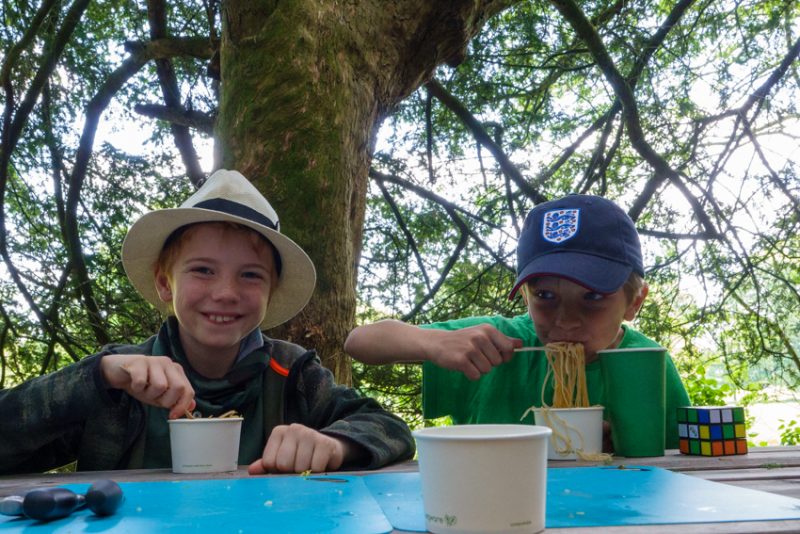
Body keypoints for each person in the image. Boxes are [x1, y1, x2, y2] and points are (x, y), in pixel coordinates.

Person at [0, 169, 414, 475]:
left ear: (270, 295)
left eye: (251, 275)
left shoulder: (293, 374)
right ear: (165, 284)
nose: (226, 293)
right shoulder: (122, 381)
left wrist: (335, 443)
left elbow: (390, 428)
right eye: (202, 270)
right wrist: (99, 375)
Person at [345, 193, 690, 450]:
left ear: (635, 302)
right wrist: (431, 343)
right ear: (525, 296)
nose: (566, 322)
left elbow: (684, 462)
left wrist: (627, 448)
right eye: (545, 296)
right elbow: (359, 341)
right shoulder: (498, 344)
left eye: (593, 297)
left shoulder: (646, 366)